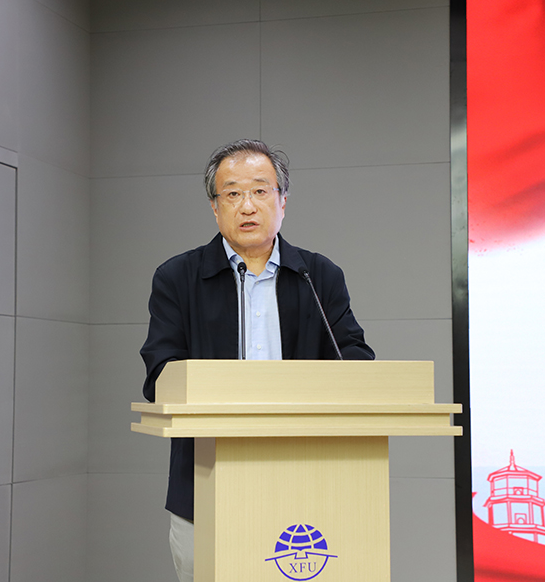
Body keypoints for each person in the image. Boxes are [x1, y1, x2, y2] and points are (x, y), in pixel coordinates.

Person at [140, 139, 374, 582]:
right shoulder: (178, 278)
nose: (247, 205)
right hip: (207, 483)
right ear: (215, 208)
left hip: (306, 480)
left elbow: (355, 360)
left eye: (261, 191)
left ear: (283, 201)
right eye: (232, 193)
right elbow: (160, 373)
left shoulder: (318, 276)